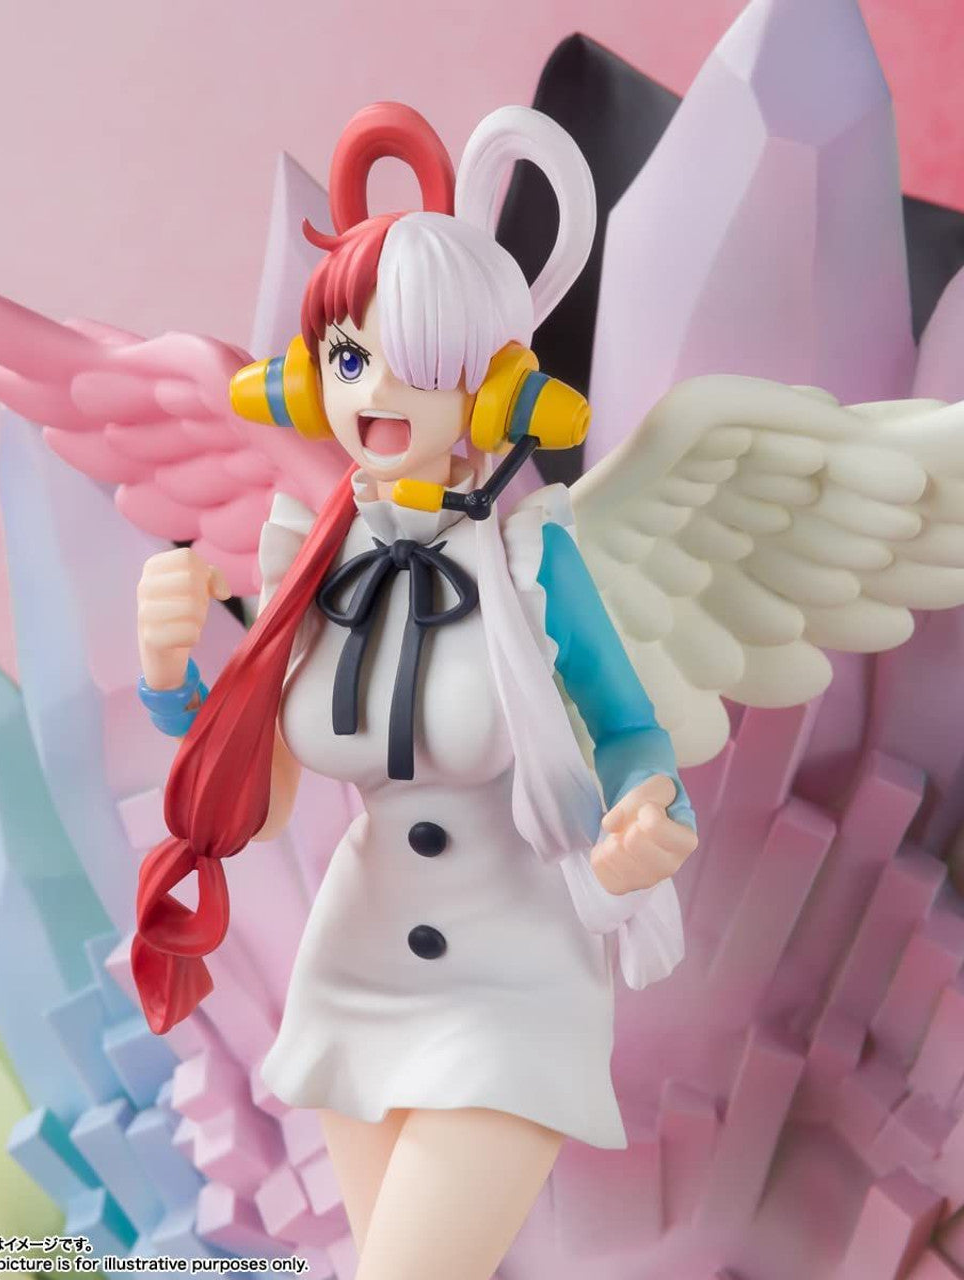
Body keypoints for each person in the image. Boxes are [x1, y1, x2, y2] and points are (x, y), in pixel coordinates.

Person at [133, 102, 697, 1280]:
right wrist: (170, 671)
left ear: (488, 390)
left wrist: (651, 810)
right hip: (357, 964)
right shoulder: (305, 553)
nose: (376, 390)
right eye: (350, 357)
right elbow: (259, 798)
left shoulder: (532, 555)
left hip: (517, 975)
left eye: (421, 361)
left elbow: (630, 727)